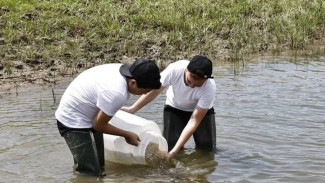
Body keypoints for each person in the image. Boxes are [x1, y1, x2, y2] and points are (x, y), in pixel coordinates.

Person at [55, 58, 161, 175]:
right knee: (89, 172)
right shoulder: (117, 93)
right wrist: (127, 134)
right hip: (72, 120)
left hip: (89, 112)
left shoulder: (127, 72)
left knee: (100, 167)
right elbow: (99, 125)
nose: (145, 94)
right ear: (133, 82)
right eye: (144, 90)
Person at [121, 55, 216, 159]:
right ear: (186, 70)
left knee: (207, 150)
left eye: (198, 85)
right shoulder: (175, 70)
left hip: (201, 112)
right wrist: (133, 109)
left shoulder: (209, 87)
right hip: (174, 108)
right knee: (170, 146)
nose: (192, 86)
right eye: (189, 81)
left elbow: (194, 121)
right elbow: (155, 90)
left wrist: (174, 152)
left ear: (206, 80)